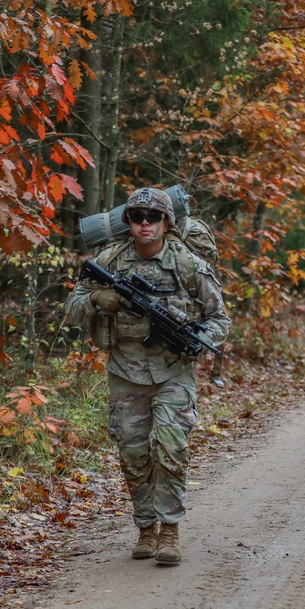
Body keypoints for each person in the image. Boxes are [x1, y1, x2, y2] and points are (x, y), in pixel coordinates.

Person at [65, 187, 230, 564]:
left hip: (173, 371)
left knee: (171, 447)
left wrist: (197, 340)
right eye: (137, 216)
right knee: (133, 453)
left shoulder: (186, 262)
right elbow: (72, 305)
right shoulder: (109, 260)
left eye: (152, 217)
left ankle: (169, 529)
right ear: (128, 221)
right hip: (125, 371)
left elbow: (219, 317)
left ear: (166, 223)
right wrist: (95, 299)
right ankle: (145, 528)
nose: (144, 223)